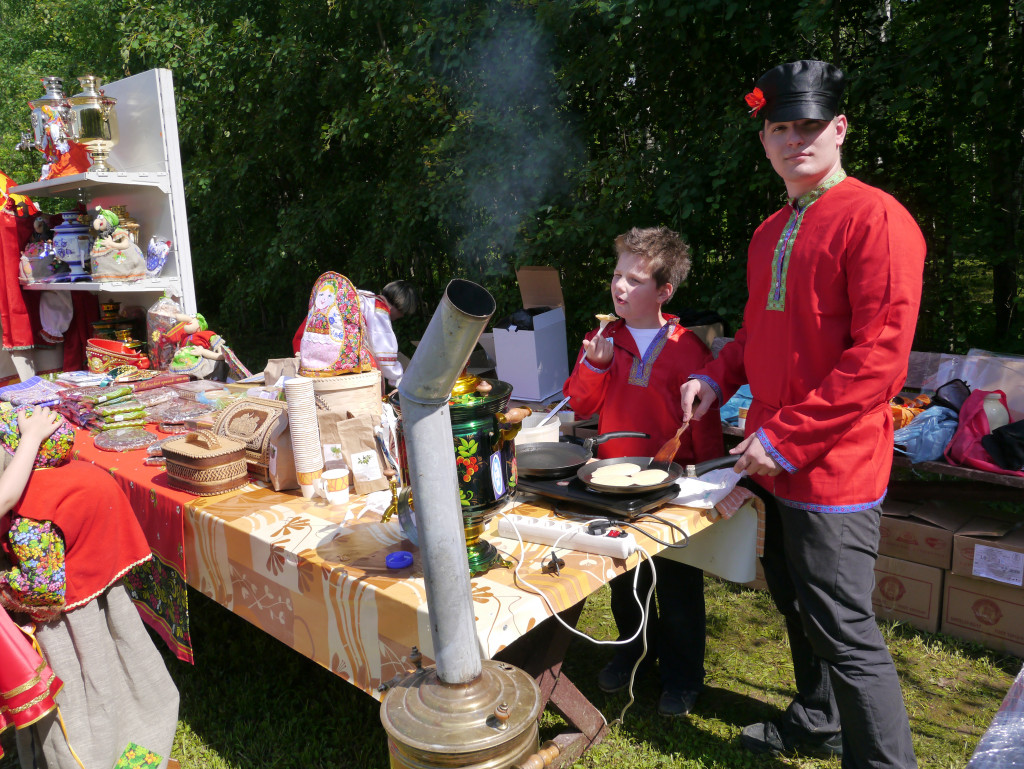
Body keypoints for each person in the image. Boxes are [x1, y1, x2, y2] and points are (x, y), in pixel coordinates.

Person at [680, 60, 925, 766]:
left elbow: (879, 359)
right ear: (764, 141)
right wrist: (711, 374)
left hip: (834, 471)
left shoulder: (878, 218)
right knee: (798, 604)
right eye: (780, 127)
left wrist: (784, 437)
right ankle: (819, 719)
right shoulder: (766, 234)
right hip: (777, 464)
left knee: (845, 630)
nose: (795, 139)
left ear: (839, 129)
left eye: (809, 126)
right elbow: (760, 334)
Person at [563, 226, 723, 717]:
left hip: (669, 485)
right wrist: (594, 367)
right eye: (617, 276)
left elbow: (703, 423)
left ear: (664, 291)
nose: (620, 288)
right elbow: (578, 402)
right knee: (624, 579)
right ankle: (632, 654)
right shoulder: (602, 338)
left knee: (677, 588)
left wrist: (712, 480)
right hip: (610, 481)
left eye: (634, 280)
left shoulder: (686, 348)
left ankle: (682, 677)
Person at [0, 406, 180, 769]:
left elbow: (43, 591)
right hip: (109, 605)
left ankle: (91, 760)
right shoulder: (84, 476)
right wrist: (33, 437)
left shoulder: (31, 513)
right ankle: (139, 748)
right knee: (126, 679)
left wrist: (4, 585)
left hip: (63, 626)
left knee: (81, 705)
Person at [291, 279, 418, 386]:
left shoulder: (360, 296)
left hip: (309, 350)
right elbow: (383, 353)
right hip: (339, 362)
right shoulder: (379, 309)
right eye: (403, 313)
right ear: (400, 304)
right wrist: (398, 377)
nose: (401, 317)